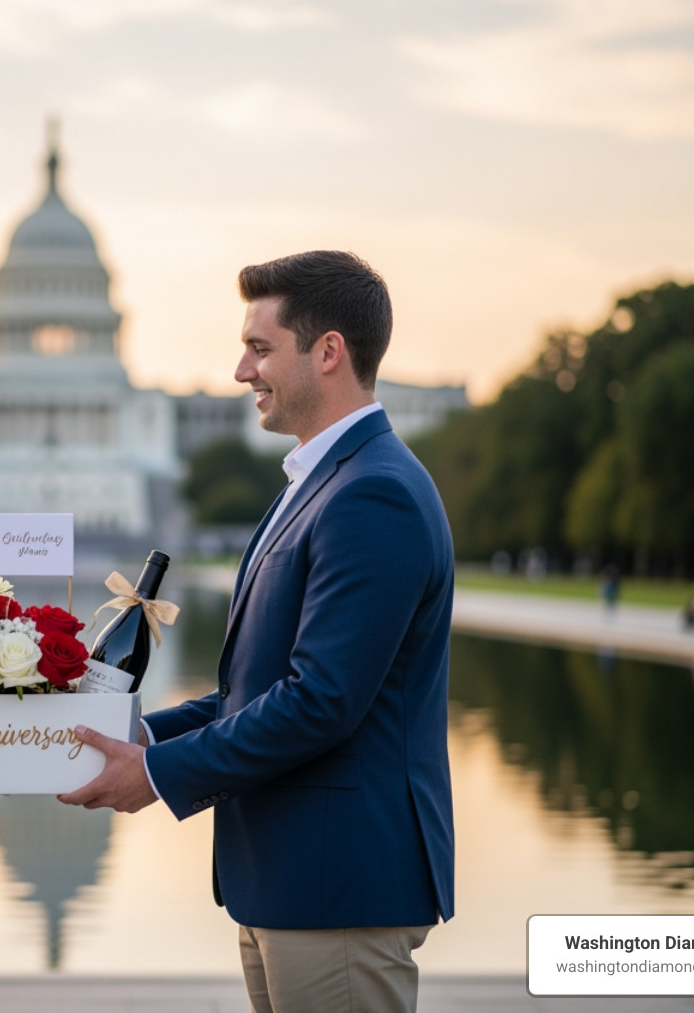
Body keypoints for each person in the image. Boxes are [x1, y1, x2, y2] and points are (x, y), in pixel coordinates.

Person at [61, 251, 454, 1013]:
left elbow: (321, 701)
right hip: (289, 881)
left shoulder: (373, 493)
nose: (242, 370)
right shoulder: (322, 483)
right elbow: (261, 689)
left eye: (261, 347)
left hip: (338, 886)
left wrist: (157, 775)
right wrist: (140, 736)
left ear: (329, 351)